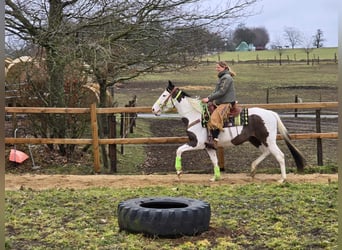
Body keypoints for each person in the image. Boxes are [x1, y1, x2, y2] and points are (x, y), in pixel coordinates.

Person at [201, 61, 237, 149]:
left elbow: (222, 92)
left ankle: (215, 141)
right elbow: (216, 91)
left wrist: (209, 99)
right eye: (216, 67)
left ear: (224, 67)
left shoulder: (226, 78)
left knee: (214, 119)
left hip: (226, 102)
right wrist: (210, 98)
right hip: (221, 101)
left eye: (218, 67)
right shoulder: (223, 77)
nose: (216, 69)